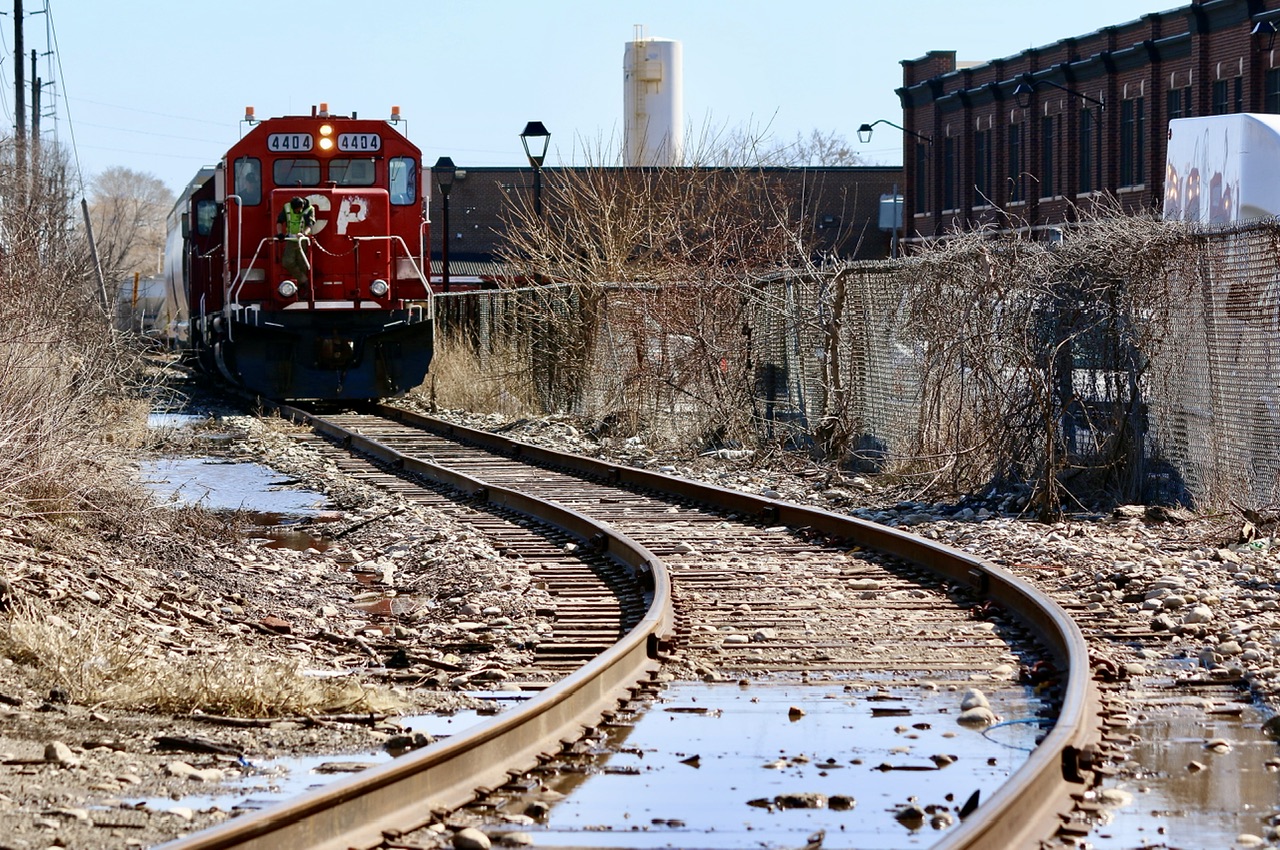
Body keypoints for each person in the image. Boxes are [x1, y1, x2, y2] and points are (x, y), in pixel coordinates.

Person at [276, 196, 315, 286]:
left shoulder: (310, 209)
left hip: (302, 240)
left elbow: (310, 225)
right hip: (290, 239)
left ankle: (304, 287)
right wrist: (280, 233)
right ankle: (304, 280)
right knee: (287, 262)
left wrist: (303, 234)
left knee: (302, 263)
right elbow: (279, 221)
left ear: (302, 206)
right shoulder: (287, 207)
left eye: (297, 209)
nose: (296, 211)